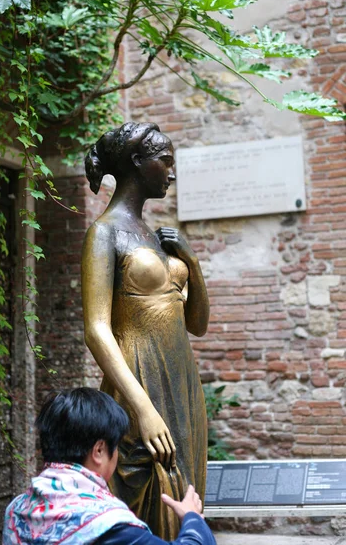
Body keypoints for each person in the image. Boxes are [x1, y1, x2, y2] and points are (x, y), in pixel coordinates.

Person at [82, 122, 210, 539]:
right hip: (138, 380)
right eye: (165, 161)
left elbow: (198, 324)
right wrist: (143, 409)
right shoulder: (104, 233)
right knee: (145, 491)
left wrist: (191, 262)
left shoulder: (156, 238)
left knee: (185, 491)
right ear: (137, 163)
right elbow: (97, 329)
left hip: (181, 381)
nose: (172, 172)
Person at [2, 388, 216, 545]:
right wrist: (193, 519)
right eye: (118, 447)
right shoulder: (109, 525)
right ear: (99, 451)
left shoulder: (17, 510)